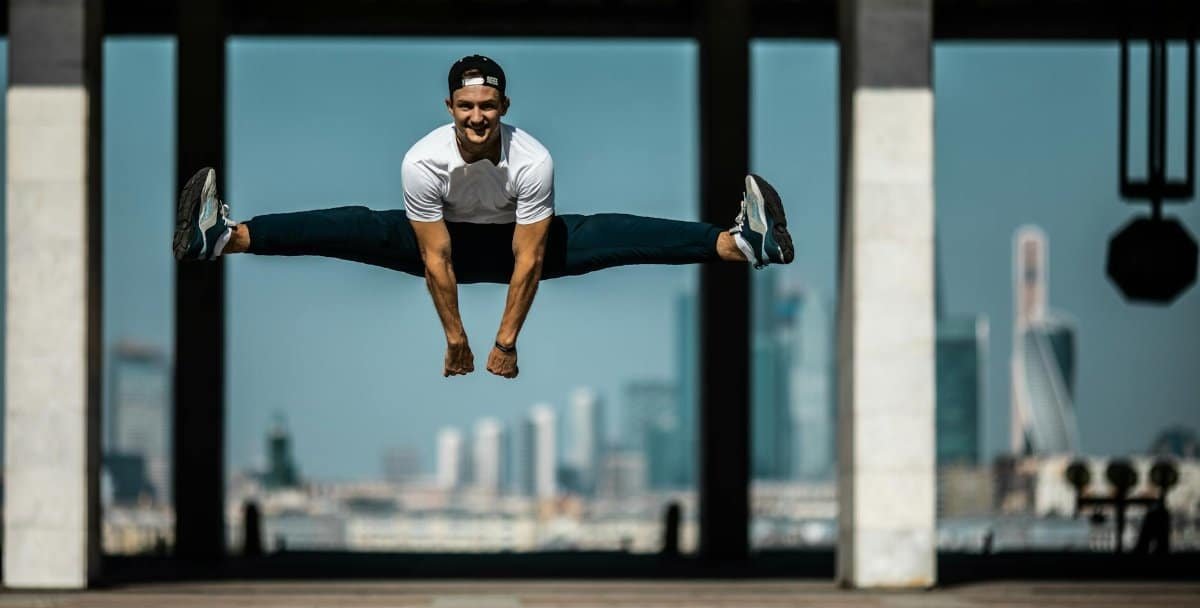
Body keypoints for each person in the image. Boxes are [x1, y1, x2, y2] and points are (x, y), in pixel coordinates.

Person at [174, 54, 792, 380]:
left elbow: (528, 262)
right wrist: (456, 339)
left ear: (504, 106)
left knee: (615, 234)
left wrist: (504, 343)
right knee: (354, 226)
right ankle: (222, 236)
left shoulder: (532, 160)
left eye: (488, 105)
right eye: (466, 106)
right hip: (443, 244)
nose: (477, 117)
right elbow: (437, 260)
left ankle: (744, 243)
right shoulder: (423, 160)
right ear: (450, 107)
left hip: (519, 245)